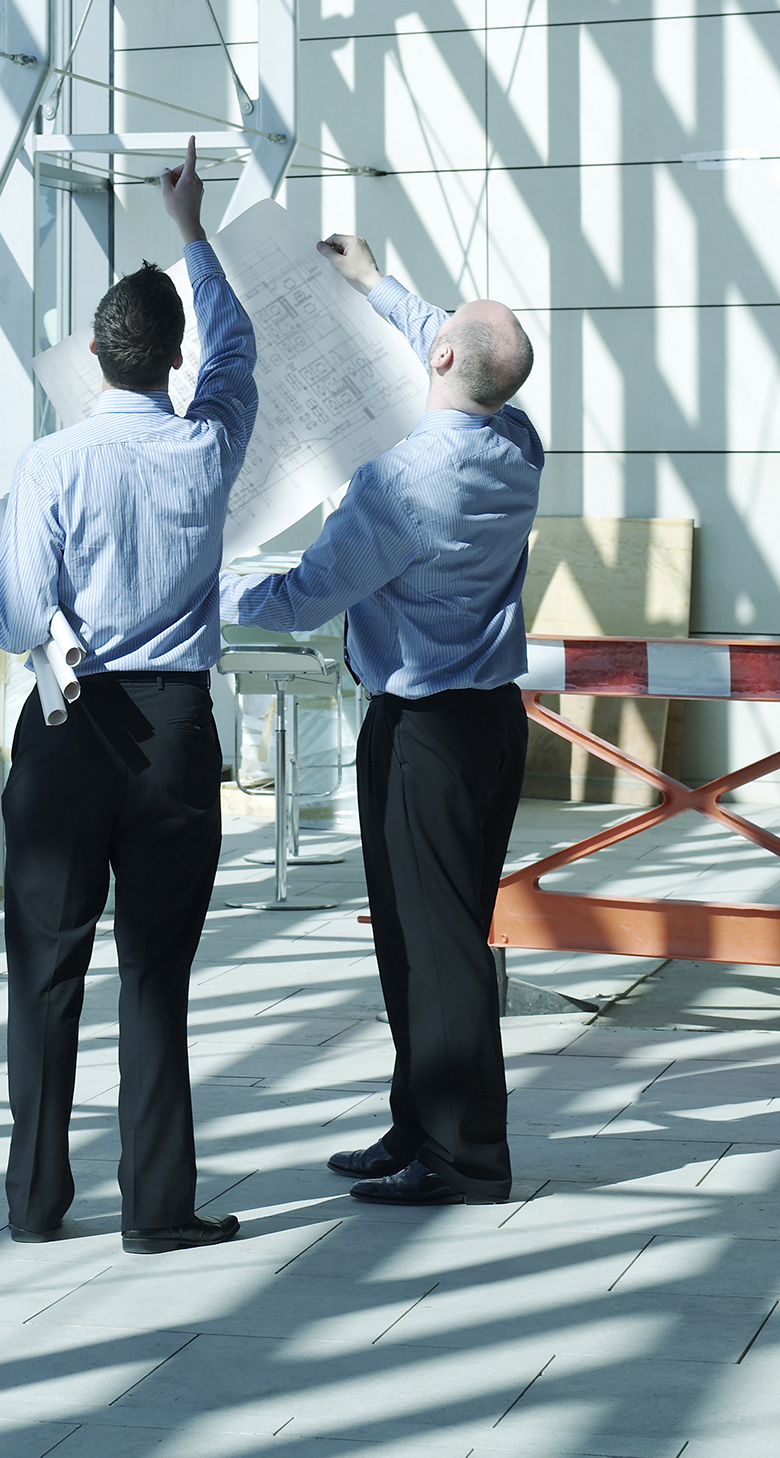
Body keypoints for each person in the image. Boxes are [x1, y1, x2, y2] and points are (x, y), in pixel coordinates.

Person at [223, 234, 541, 1208]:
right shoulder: (518, 443)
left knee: (434, 949)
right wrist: (373, 284)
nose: (429, 331)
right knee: (422, 936)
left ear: (441, 357)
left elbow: (299, 598)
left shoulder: (397, 483)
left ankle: (464, 1156)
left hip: (422, 735)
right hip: (490, 724)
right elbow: (457, 349)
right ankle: (418, 1124)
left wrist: (196, 585)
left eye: (438, 331)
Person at [0, 137, 257, 1253]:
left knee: (45, 974)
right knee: (155, 975)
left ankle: (35, 1202)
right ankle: (156, 1207)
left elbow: (13, 615)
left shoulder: (50, 463)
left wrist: (25, 609)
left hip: (68, 728)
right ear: (174, 360)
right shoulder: (209, 444)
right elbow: (238, 348)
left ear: (94, 354)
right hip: (176, 735)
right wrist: (192, 230)